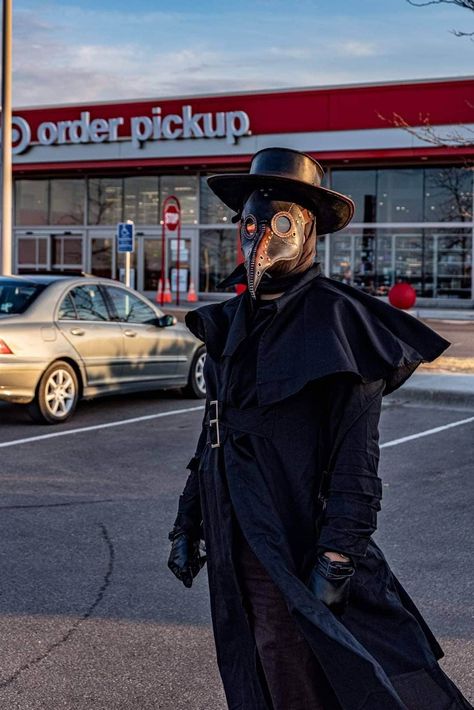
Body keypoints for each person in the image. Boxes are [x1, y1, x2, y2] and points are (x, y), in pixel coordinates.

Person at [167, 148, 472, 710]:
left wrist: (338, 556)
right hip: (235, 526)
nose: (257, 236)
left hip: (295, 539)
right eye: (248, 224)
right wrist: (190, 518)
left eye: (274, 222)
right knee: (250, 664)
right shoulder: (233, 322)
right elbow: (214, 426)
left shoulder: (341, 323)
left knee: (309, 674)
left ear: (303, 227)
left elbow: (358, 459)